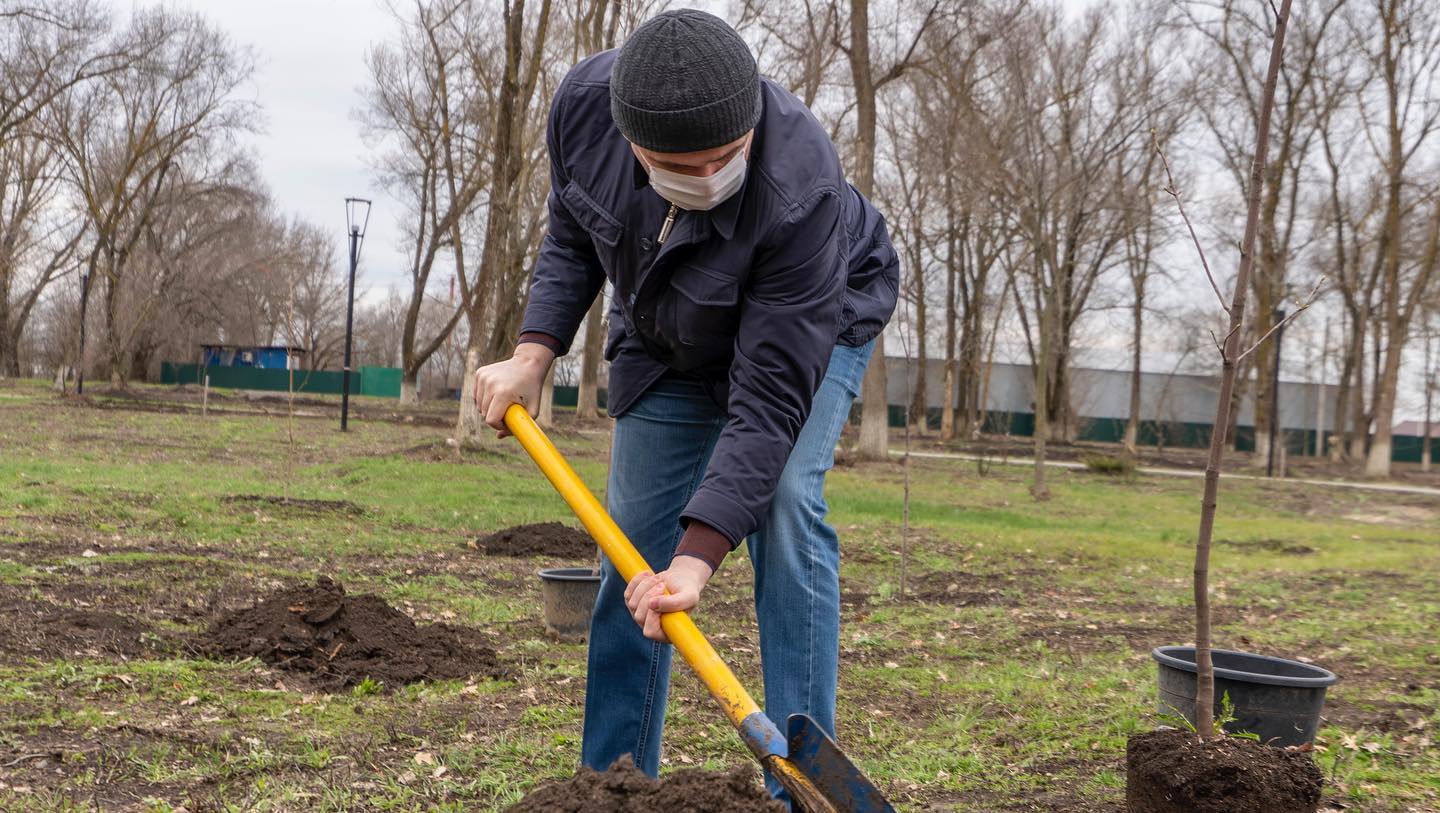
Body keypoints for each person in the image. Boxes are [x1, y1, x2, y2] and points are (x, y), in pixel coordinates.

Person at [472, 8, 898, 804]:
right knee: (632, 548)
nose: (704, 179)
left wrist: (697, 560)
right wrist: (535, 351)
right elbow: (574, 231)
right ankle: (613, 783)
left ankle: (803, 785)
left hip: (811, 322)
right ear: (628, 137)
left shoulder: (801, 187)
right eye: (676, 164)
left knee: (784, 502)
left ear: (751, 123)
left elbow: (770, 401)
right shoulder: (582, 113)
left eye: (724, 159)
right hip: (668, 327)